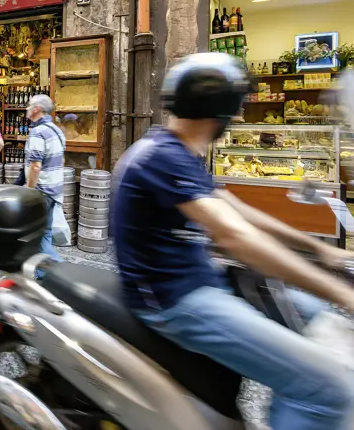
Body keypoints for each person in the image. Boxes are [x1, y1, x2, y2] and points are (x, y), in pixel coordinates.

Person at [112, 52, 354, 430]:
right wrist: (340, 293)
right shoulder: (163, 157)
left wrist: (320, 249)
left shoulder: (177, 151)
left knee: (317, 320)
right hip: (177, 300)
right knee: (330, 391)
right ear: (220, 108)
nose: (239, 115)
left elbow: (235, 209)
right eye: (237, 105)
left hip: (202, 280)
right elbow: (235, 236)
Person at [24, 94, 65, 262]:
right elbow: (61, 159)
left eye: (29, 106)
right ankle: (41, 272)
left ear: (37, 109)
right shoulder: (56, 130)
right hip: (55, 188)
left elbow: (36, 165)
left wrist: (29, 189)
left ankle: (57, 271)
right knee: (45, 232)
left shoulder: (38, 132)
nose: (27, 109)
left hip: (41, 190)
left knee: (34, 234)